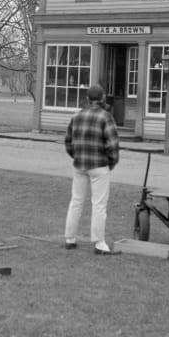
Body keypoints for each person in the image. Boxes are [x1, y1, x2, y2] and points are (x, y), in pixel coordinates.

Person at [63, 84, 121, 254]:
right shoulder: (106, 117)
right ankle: (99, 243)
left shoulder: (77, 116)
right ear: (103, 98)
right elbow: (113, 144)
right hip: (99, 164)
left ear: (87, 99)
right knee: (99, 204)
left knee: (76, 201)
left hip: (80, 164)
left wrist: (77, 156)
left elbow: (68, 142)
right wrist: (111, 162)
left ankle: (70, 238)